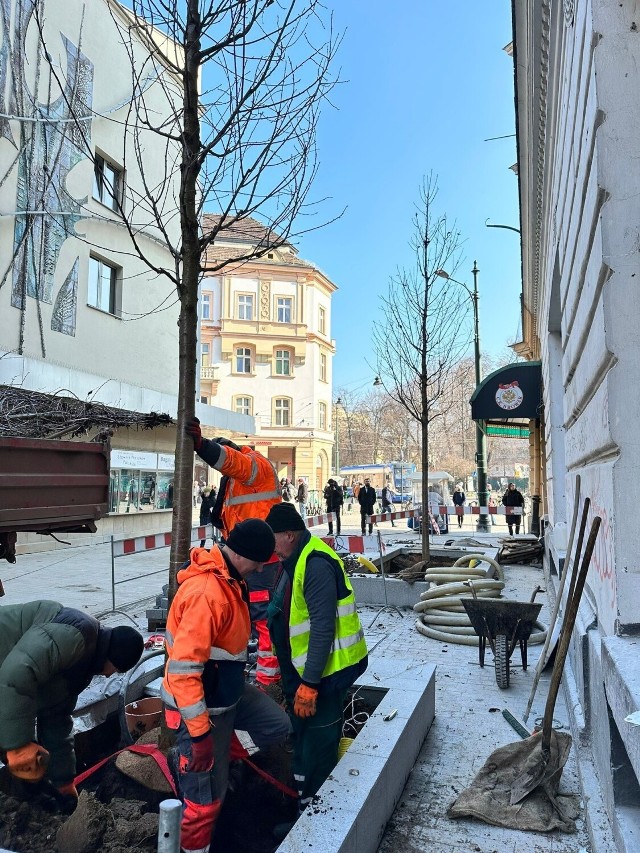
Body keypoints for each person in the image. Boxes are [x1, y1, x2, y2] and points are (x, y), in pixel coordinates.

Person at [161, 519, 291, 853]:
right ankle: (194, 847)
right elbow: (184, 672)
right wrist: (202, 736)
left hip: (225, 693)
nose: (262, 567)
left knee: (276, 725)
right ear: (244, 554)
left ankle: (222, 756)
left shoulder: (230, 578)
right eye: (260, 560)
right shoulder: (207, 593)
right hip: (201, 707)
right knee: (205, 804)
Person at [264, 502, 368, 828]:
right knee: (302, 742)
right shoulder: (292, 560)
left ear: (290, 535)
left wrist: (309, 685)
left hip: (325, 677)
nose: (270, 546)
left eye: (274, 538)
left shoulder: (316, 564)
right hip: (303, 674)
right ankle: (301, 811)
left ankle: (317, 821)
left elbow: (322, 628)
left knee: (320, 746)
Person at [0, 601, 143, 811]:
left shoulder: (82, 666)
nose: (110, 675)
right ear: (112, 658)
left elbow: (57, 718)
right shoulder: (74, 635)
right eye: (116, 669)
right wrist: (19, 746)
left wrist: (64, 781)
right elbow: (16, 676)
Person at [184, 418, 282, 696]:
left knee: (264, 621)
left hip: (261, 561)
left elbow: (232, 462)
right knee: (250, 617)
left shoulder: (254, 466)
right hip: (247, 561)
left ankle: (267, 680)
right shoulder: (238, 484)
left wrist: (202, 446)